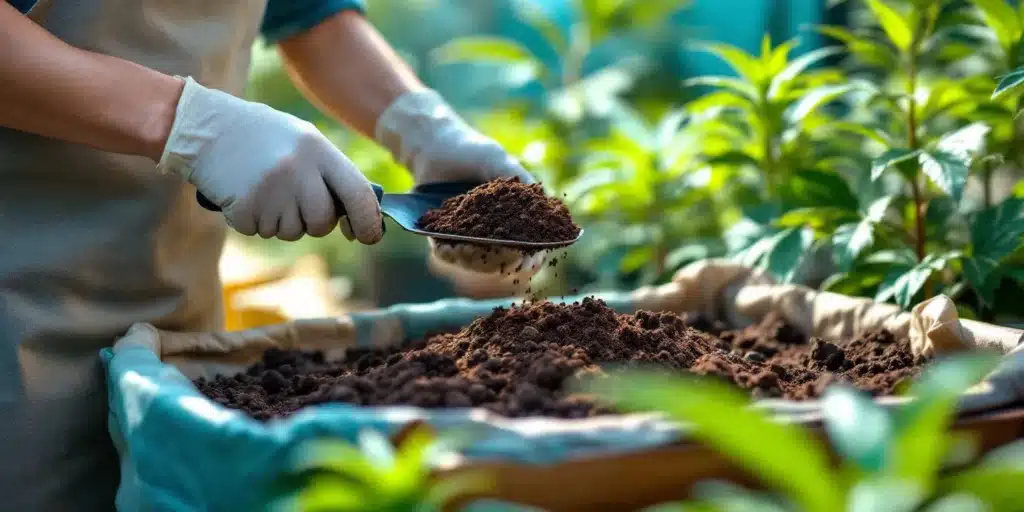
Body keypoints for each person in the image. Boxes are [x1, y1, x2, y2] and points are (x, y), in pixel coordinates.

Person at [0, 1, 537, 510]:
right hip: (21, 320)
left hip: (169, 316)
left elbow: (306, 13)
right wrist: (188, 124)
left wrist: (422, 127)